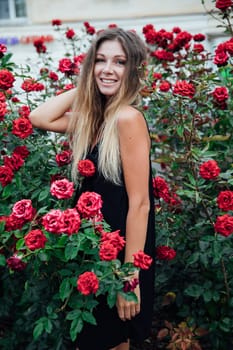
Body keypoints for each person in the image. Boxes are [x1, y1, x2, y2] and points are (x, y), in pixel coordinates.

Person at [29, 27, 155, 350]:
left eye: (119, 62)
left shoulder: (127, 118)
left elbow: (140, 203)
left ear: (133, 70)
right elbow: (38, 117)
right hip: (92, 255)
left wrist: (129, 278)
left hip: (119, 261)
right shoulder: (95, 119)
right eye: (100, 61)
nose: (108, 69)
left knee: (112, 340)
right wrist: (86, 83)